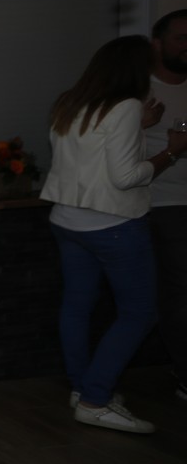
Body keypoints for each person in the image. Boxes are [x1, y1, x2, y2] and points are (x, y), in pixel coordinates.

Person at [40, 36, 187, 433]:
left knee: (77, 307)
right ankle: (95, 399)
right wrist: (172, 151)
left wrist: (139, 126)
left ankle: (82, 388)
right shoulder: (125, 106)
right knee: (139, 313)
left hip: (67, 220)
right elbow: (125, 177)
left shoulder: (70, 102)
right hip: (112, 224)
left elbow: (90, 151)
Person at [144, 9, 187, 401]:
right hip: (166, 203)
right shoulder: (139, 90)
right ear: (158, 44)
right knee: (180, 290)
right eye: (181, 38)